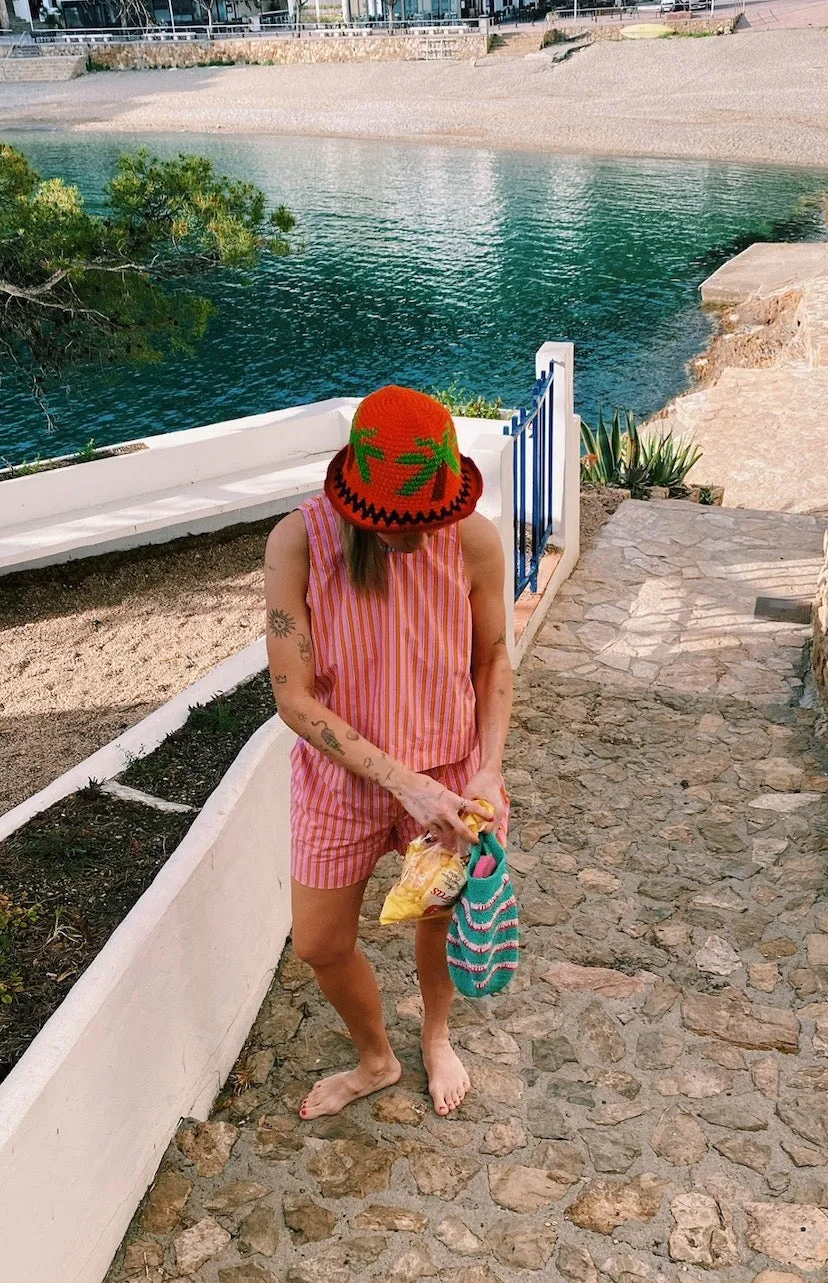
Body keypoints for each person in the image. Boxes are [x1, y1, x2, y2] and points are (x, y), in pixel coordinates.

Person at [265, 384, 513, 1119]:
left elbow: (494, 657)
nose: (414, 538)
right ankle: (376, 1056)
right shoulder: (297, 544)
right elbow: (293, 696)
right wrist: (403, 783)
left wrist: (489, 766)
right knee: (317, 941)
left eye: (429, 519)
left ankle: (436, 1035)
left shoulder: (473, 540)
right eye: (399, 525)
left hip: (448, 774)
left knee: (437, 921)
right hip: (343, 783)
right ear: (355, 500)